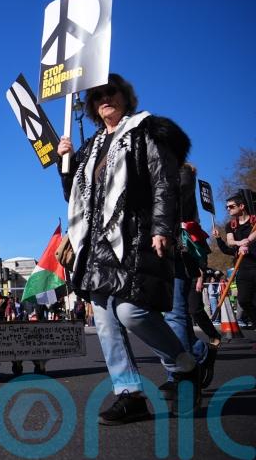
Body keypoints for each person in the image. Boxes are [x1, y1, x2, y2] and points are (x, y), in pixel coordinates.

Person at [57, 73, 202, 424]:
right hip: (96, 245)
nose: (105, 99)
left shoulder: (145, 130)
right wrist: (66, 163)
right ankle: (129, 394)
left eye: (111, 92)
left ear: (125, 96)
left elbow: (164, 182)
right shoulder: (91, 147)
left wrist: (162, 227)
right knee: (105, 321)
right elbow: (75, 197)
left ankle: (184, 365)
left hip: (135, 238)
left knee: (131, 312)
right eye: (97, 96)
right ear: (92, 107)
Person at [162, 163, 219, 396]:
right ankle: (199, 351)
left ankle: (178, 376)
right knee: (178, 317)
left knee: (174, 314)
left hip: (176, 250)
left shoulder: (180, 172)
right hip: (158, 253)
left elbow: (175, 205)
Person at [213, 194, 256, 329]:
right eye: (227, 207)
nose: (228, 209)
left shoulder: (254, 221)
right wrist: (239, 243)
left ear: (241, 206)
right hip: (243, 268)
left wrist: (248, 241)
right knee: (243, 300)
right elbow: (230, 242)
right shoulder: (231, 225)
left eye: (231, 206)